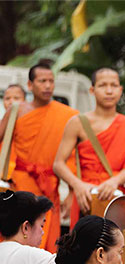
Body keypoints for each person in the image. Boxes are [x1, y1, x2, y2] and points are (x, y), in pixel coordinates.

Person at [0, 63, 78, 252]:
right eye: (42, 81)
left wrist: (72, 191)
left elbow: (72, 157)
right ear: (30, 85)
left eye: (51, 81)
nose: (48, 86)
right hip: (20, 183)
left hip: (49, 184)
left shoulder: (67, 115)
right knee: (17, 234)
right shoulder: (16, 111)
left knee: (47, 240)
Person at [52, 67, 125, 226]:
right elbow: (58, 164)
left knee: (117, 245)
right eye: (103, 86)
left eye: (114, 86)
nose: (109, 91)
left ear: (120, 90)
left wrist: (115, 181)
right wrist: (78, 185)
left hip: (116, 198)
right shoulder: (78, 123)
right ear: (92, 90)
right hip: (85, 196)